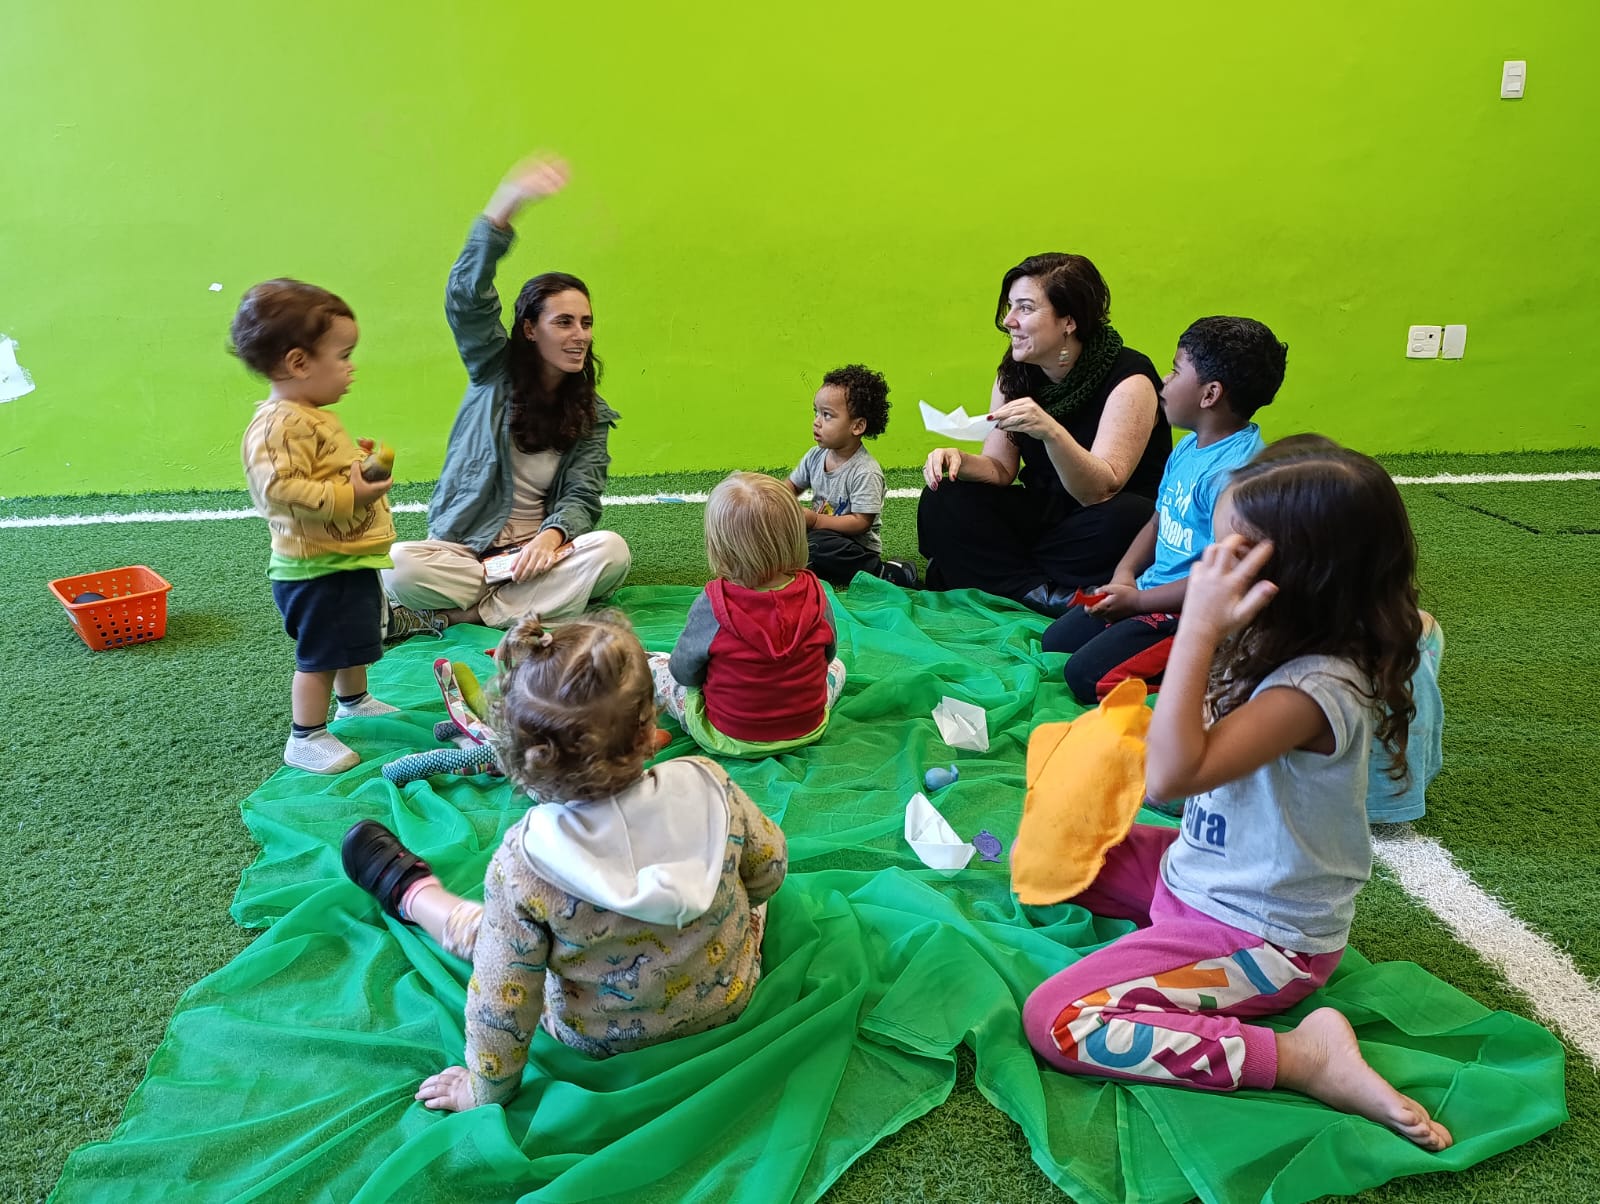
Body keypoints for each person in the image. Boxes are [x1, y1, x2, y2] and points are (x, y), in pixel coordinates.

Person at [1021, 441, 1453, 1153]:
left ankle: (1303, 1058)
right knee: (1056, 850)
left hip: (1260, 933)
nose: (1205, 567)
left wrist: (1197, 627)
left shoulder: (1315, 689)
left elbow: (1173, 777)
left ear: (1296, 576)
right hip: (1203, 871)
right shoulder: (1273, 642)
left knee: (1059, 1020)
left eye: (1229, 553)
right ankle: (1159, 924)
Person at [340, 612, 788, 1111]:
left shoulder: (524, 863)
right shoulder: (709, 785)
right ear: (650, 727)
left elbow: (502, 999)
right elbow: (769, 872)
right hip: (729, 997)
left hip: (596, 1038)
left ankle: (415, 895)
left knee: (492, 938)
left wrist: (483, 1090)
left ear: (516, 759)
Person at [384, 155, 631, 637]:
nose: (580, 335)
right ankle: (522, 605)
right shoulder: (492, 371)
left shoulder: (591, 414)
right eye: (564, 322)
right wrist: (507, 205)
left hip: (536, 556)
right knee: (398, 565)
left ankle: (464, 616)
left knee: (611, 552)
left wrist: (550, 538)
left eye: (586, 323)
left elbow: (582, 494)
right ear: (530, 329)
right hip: (465, 552)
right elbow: (466, 299)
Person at [1042, 317, 1287, 703]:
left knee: (1085, 678)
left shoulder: (1237, 477)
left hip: (1193, 614)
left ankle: (1217, 668)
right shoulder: (1189, 446)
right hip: (1151, 590)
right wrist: (1125, 577)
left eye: (1175, 370)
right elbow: (1159, 519)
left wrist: (1138, 604)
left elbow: (1227, 581)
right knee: (1055, 642)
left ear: (1210, 394)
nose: (1164, 382)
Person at [917, 253, 1171, 614]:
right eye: (1010, 307)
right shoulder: (1014, 373)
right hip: (1046, 514)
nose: (1009, 321)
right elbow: (1000, 469)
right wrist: (959, 460)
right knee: (944, 497)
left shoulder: (1130, 379)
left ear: (1069, 321)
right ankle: (1041, 591)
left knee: (1129, 519)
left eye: (1025, 308)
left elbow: (1100, 491)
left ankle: (988, 573)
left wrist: (1051, 431)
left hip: (1102, 520)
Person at [234, 279, 399, 774]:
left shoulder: (310, 416)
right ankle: (305, 736)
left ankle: (354, 701)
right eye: (343, 356)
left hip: (342, 558)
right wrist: (352, 495)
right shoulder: (279, 424)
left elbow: (321, 475)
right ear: (299, 363)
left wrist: (358, 469)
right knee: (322, 654)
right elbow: (280, 490)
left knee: (351, 639)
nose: (351, 367)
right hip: (314, 569)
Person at [649, 472, 847, 757]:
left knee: (657, 667)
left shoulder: (714, 603)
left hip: (726, 736)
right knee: (838, 666)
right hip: (807, 730)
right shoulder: (815, 592)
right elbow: (827, 657)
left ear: (719, 546)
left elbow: (683, 672)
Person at [787, 364, 917, 588]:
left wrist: (816, 520)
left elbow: (861, 522)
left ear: (857, 426)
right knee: (795, 539)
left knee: (817, 546)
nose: (816, 421)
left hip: (852, 546)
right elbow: (791, 486)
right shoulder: (815, 456)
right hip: (820, 534)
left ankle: (883, 571)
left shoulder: (865, 471)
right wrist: (771, 500)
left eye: (827, 415)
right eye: (816, 412)